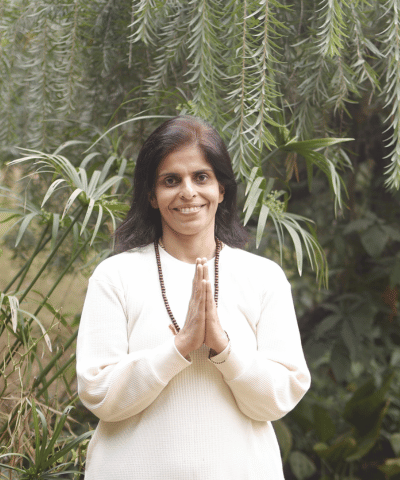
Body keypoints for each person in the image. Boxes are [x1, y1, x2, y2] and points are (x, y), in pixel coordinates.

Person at [76, 115, 311, 480]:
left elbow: (279, 398)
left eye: (201, 177)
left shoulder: (264, 278)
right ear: (152, 196)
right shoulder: (115, 277)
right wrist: (179, 347)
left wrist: (224, 348)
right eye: (171, 180)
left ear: (222, 189)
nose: (188, 192)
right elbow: (98, 394)